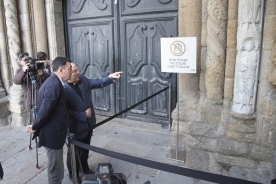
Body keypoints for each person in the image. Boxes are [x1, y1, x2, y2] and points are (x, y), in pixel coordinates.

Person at [64, 63, 122, 183]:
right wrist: (83, 115)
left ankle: (84, 168)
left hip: (89, 123)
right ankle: (73, 173)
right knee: (73, 152)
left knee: (85, 148)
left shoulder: (83, 80)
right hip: (75, 126)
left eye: (77, 69)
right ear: (68, 73)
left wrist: (110, 77)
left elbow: (97, 83)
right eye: (74, 71)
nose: (78, 72)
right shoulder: (62, 89)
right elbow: (64, 112)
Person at [27, 57, 72, 184]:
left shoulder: (54, 82)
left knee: (56, 168)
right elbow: (44, 111)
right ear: (62, 70)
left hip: (55, 132)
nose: (71, 71)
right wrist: (35, 126)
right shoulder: (53, 85)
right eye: (69, 68)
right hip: (52, 135)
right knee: (56, 170)